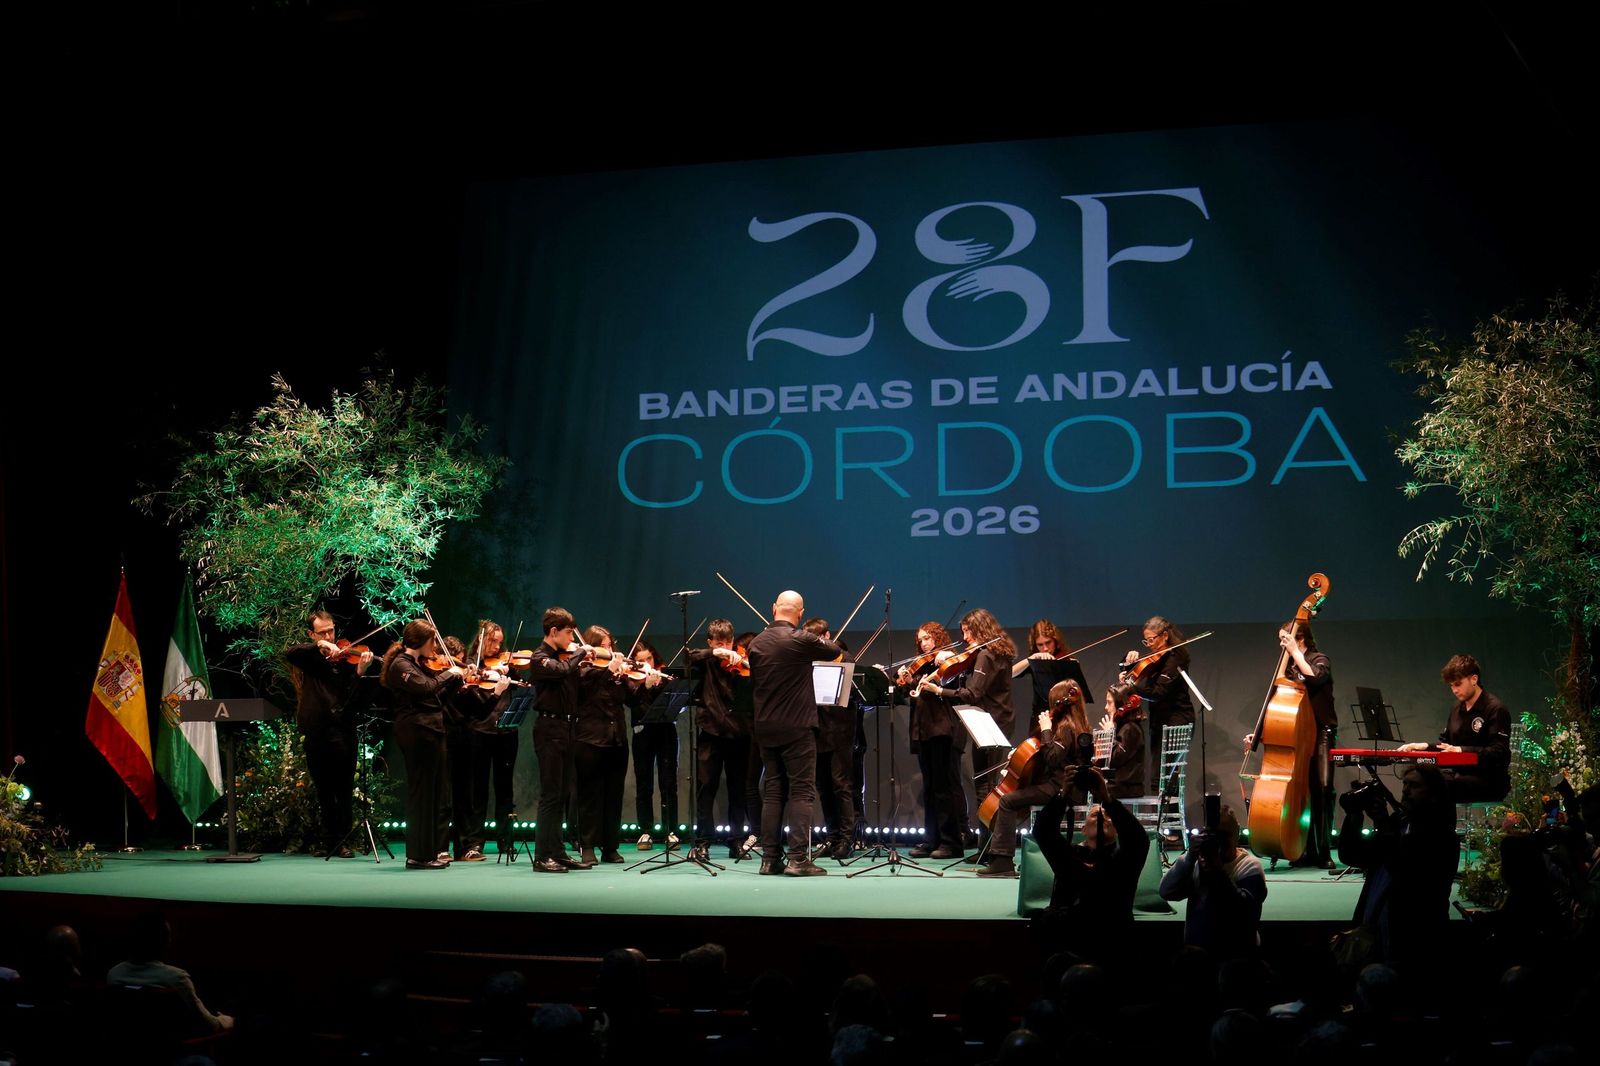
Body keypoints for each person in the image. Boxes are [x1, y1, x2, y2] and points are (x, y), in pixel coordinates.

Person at [748, 589, 843, 876]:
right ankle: (798, 858)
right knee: (802, 791)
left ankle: (769, 858)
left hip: (765, 726)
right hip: (797, 726)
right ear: (800, 613)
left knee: (774, 791)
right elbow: (833, 650)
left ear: (773, 608)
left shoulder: (755, 643)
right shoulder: (800, 639)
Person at [914, 608, 1016, 861]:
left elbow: (972, 694)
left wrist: (938, 691)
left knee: (986, 788)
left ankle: (992, 851)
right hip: (999, 720)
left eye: (968, 631)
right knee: (987, 786)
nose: (965, 636)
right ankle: (986, 849)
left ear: (979, 629)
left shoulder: (986, 654)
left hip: (988, 722)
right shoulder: (997, 652)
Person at [1336, 763, 1460, 970]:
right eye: (1404, 784)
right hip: (1377, 933)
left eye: (1414, 785)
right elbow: (1352, 856)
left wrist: (1383, 823)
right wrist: (1354, 815)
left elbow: (1405, 872)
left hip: (1416, 941)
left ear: (1433, 795)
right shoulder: (1399, 823)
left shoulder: (1442, 837)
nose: (1405, 790)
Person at [525, 607, 618, 872]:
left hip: (568, 728)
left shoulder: (567, 657)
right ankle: (543, 856)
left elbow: (584, 685)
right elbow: (561, 670)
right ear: (553, 632)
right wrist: (581, 653)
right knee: (551, 795)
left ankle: (558, 852)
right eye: (568, 633)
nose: (571, 639)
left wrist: (608, 669)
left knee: (564, 793)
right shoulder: (540, 657)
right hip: (549, 728)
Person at [1030, 764, 1149, 964]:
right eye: (1096, 815)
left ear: (1118, 830)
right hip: (1068, 946)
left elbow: (1138, 841)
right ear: (1083, 829)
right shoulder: (1069, 859)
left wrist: (1107, 799)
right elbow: (1043, 832)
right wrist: (1063, 795)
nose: (1104, 817)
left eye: (1109, 816)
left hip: (1111, 946)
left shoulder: (1121, 863)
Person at [1242, 618, 1336, 866]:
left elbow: (1315, 679)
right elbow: (1276, 706)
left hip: (1321, 734)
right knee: (1299, 793)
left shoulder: (1318, 659)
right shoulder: (1287, 668)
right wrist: (1260, 733)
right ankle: (1301, 848)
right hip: (1297, 737)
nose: (1282, 644)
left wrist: (1295, 651)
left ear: (1300, 638)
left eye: (1286, 639)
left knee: (1323, 789)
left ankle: (1324, 851)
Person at [978, 679, 1092, 878]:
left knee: (1007, 800)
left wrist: (1046, 729)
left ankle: (1002, 861)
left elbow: (1053, 758)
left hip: (1061, 788)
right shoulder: (1078, 722)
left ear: (1058, 702)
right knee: (1012, 798)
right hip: (1063, 786)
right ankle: (1000, 859)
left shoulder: (1066, 727)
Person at [283, 610, 375, 857]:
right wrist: (320, 646)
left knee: (343, 790)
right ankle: (327, 840)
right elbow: (290, 653)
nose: (329, 635)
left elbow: (352, 698)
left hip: (343, 731)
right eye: (323, 632)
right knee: (323, 790)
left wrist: (359, 673)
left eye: (331, 630)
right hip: (316, 731)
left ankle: (342, 842)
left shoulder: (347, 659)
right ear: (312, 634)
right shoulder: (311, 658)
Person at [380, 619, 466, 869]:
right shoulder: (401, 665)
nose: (435, 648)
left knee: (434, 794)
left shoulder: (418, 664)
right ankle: (417, 855)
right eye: (433, 642)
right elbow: (426, 689)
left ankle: (429, 852)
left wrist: (455, 681)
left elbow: (437, 698)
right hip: (416, 731)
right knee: (421, 793)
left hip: (433, 730)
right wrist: (450, 673)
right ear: (420, 641)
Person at [1157, 804, 1268, 958]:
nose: (1219, 843)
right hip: (1197, 956)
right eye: (1213, 836)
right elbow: (1166, 892)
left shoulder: (1249, 866)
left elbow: (1245, 913)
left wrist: (1218, 872)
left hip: (1237, 958)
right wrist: (1189, 858)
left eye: (1224, 836)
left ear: (1236, 834)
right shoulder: (1197, 861)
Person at [1397, 654, 1511, 803]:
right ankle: (1409, 825)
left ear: (1474, 679)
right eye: (1451, 685)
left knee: (1431, 785)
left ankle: (1435, 827)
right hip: (1457, 774)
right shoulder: (1456, 707)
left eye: (1458, 684)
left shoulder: (1495, 708)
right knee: (1415, 778)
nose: (1454, 690)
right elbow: (1446, 746)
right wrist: (1424, 747)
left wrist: (1461, 750)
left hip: (1488, 781)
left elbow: (1499, 753)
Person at [686, 620, 753, 861]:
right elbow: (688, 657)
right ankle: (703, 842)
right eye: (719, 643)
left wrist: (742, 663)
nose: (726, 647)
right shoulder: (706, 661)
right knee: (706, 788)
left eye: (729, 643)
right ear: (711, 642)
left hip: (739, 732)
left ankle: (736, 841)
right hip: (711, 731)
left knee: (738, 790)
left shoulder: (742, 662)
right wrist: (716, 652)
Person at [107, 911, 234, 1033]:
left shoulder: (114, 975)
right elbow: (207, 1025)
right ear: (164, 942)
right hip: (173, 1051)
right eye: (168, 936)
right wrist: (223, 1022)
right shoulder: (177, 978)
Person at [900, 621, 965, 859]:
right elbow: (913, 694)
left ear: (938, 637)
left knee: (943, 787)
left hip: (941, 730)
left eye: (927, 638)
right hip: (923, 731)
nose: (924, 643)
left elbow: (956, 687)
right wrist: (907, 681)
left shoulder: (948, 661)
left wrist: (937, 675)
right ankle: (931, 839)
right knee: (929, 788)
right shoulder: (921, 666)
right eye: (920, 640)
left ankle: (951, 842)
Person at [460, 620, 521, 858]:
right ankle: (475, 841)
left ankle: (505, 840)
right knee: (479, 789)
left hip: (506, 731)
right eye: (492, 641)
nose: (497, 647)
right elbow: (472, 702)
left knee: (505, 789)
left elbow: (519, 680)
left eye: (499, 642)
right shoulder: (471, 665)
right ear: (481, 640)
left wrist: (510, 669)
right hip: (480, 732)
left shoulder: (506, 664)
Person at [1115, 616, 1194, 798]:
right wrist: (1126, 662)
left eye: (1152, 639)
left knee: (1167, 776)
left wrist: (1132, 687)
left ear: (1165, 635)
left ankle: (1170, 824)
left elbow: (1158, 692)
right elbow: (1130, 670)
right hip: (1160, 720)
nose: (1149, 645)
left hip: (1177, 719)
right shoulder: (1156, 659)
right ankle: (1162, 822)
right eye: (1146, 640)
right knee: (1157, 776)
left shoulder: (1176, 658)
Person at [575, 625, 632, 865]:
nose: (609, 650)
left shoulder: (614, 674)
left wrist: (638, 683)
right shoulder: (583, 670)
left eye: (610, 646)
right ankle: (587, 846)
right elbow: (586, 690)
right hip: (590, 739)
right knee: (589, 796)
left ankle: (610, 847)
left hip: (617, 739)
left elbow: (632, 701)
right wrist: (609, 670)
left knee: (614, 796)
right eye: (603, 646)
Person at [805, 616, 858, 861]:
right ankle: (832, 835)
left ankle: (847, 838)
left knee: (841, 785)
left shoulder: (844, 658)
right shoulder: (807, 661)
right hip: (818, 730)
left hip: (840, 731)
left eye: (816, 639)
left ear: (826, 637)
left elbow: (849, 699)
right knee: (823, 787)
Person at [630, 637, 681, 852]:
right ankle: (646, 831)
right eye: (641, 661)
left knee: (669, 784)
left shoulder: (666, 679)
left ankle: (672, 831)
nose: (647, 665)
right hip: (642, 735)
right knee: (644, 784)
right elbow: (636, 708)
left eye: (649, 658)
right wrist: (645, 689)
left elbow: (675, 705)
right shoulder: (632, 683)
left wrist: (659, 686)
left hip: (666, 733)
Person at [1096, 685, 1146, 798]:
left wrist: (1109, 735)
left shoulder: (1131, 729)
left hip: (1125, 788)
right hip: (1117, 785)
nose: (1106, 707)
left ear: (1120, 704)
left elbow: (1115, 759)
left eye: (1109, 703)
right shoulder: (1122, 727)